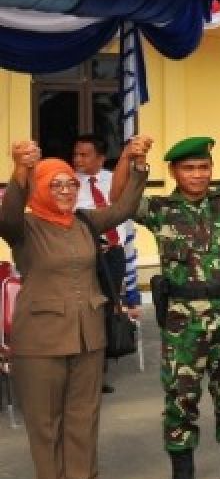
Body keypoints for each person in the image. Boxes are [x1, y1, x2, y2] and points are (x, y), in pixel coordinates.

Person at [114, 119, 220, 479]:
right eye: (189, 168)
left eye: (203, 167)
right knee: (182, 396)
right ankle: (182, 474)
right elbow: (121, 199)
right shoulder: (161, 209)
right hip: (182, 322)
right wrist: (129, 158)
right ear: (174, 172)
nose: (197, 175)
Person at [1, 135, 150, 479]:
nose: (66, 190)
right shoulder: (25, 227)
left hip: (88, 333)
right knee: (44, 420)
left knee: (83, 415)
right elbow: (7, 216)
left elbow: (124, 208)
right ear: (39, 188)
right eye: (56, 184)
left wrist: (136, 165)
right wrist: (20, 170)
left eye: (70, 183)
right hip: (39, 339)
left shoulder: (84, 221)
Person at [73, 134, 139, 394]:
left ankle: (99, 372)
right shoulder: (67, 183)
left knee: (107, 309)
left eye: (84, 154)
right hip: (86, 255)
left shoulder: (113, 180)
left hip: (113, 255)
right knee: (86, 311)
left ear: (100, 158)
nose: (78, 159)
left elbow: (124, 204)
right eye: (76, 154)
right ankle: (83, 374)